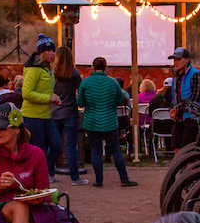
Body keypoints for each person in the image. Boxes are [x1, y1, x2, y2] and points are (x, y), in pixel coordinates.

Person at [77, 57, 137, 188]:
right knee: (116, 150)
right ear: (106, 67)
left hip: (91, 121)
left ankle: (99, 181)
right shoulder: (113, 83)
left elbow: (80, 102)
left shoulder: (85, 83)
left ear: (92, 67)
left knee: (96, 150)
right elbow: (120, 99)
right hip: (110, 121)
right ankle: (124, 178)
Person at [22, 34, 63, 181]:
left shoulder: (49, 70)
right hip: (32, 116)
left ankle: (43, 172)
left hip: (46, 116)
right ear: (41, 52)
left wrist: (54, 98)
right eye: (48, 51)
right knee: (39, 150)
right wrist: (48, 98)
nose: (51, 54)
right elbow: (26, 93)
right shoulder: (33, 69)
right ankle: (39, 177)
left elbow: (46, 92)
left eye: (53, 51)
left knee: (57, 146)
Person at [51, 47, 86, 186]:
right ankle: (75, 178)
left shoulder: (52, 74)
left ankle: (50, 174)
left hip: (54, 112)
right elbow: (80, 89)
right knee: (72, 146)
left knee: (54, 145)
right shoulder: (74, 73)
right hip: (70, 112)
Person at [169, 47, 200, 151]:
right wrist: (172, 109)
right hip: (179, 116)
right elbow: (175, 96)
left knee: (187, 147)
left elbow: (195, 99)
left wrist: (177, 109)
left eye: (179, 59)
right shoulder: (176, 76)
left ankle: (188, 166)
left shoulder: (195, 74)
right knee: (176, 145)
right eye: (175, 59)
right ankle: (179, 167)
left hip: (193, 117)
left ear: (187, 59)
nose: (176, 62)